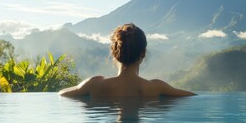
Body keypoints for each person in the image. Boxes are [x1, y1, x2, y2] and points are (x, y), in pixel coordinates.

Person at [59, 23, 195, 97]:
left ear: (113, 52)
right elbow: (191, 96)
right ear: (143, 53)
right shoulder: (156, 87)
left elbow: (62, 93)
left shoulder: (95, 84)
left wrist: (83, 87)